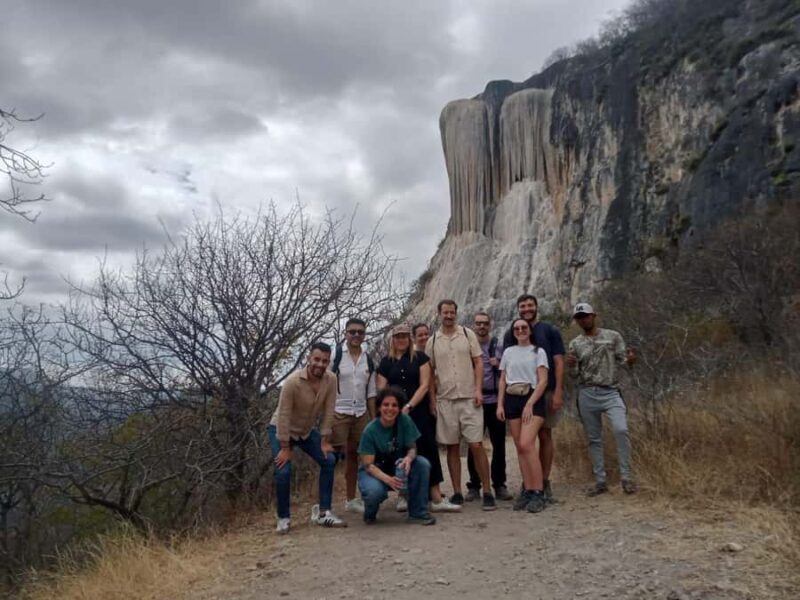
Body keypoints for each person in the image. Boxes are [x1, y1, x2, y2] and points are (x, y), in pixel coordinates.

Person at [376, 324, 461, 513]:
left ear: (409, 339)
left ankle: (436, 497)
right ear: (393, 339)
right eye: (398, 336)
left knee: (428, 449)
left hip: (418, 411)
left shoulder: (420, 358)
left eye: (405, 336)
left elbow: (424, 385)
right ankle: (404, 495)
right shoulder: (386, 362)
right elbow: (381, 389)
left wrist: (409, 406)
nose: (401, 340)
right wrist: (392, 409)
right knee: (401, 452)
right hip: (395, 415)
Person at [425, 299, 497, 511]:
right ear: (439, 314)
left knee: (476, 445)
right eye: (445, 312)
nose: (448, 316)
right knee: (452, 447)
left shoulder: (467, 334)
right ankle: (457, 491)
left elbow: (478, 363)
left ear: (456, 313)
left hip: (469, 399)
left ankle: (487, 490)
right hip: (445, 400)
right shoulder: (433, 341)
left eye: (452, 312)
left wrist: (477, 390)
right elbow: (429, 372)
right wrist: (432, 400)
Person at [268, 342, 346, 533]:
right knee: (283, 471)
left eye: (325, 361)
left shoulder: (331, 379)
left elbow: (329, 411)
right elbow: (284, 415)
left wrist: (325, 441)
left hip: (306, 431)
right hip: (282, 429)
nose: (320, 364)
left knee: (329, 460)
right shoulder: (293, 381)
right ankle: (284, 518)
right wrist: (285, 448)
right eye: (317, 359)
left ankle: (324, 512)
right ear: (309, 359)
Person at [566, 302, 638, 496]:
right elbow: (574, 375)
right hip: (587, 392)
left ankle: (627, 477)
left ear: (593, 316)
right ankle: (600, 481)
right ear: (577, 321)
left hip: (610, 391)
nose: (583, 320)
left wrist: (631, 360)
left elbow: (624, 361)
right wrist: (571, 366)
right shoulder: (575, 344)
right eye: (579, 317)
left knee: (621, 430)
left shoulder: (612, 336)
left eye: (586, 316)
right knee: (593, 438)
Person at [502, 294, 565, 503]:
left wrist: (557, 392)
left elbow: (558, 362)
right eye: (523, 306)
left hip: (544, 391)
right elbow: (505, 370)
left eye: (530, 305)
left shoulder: (549, 330)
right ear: (518, 309)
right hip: (516, 395)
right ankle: (529, 486)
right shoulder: (510, 340)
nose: (527, 309)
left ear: (536, 307)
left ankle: (542, 484)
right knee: (523, 444)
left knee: (545, 436)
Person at [357, 387, 436, 525]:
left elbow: (412, 448)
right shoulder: (370, 430)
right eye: (386, 405)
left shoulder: (404, 421)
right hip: (375, 472)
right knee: (373, 492)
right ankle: (370, 512)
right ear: (379, 408)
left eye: (394, 405)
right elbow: (368, 465)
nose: (390, 409)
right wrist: (388, 479)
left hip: (397, 467)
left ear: (399, 408)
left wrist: (409, 458)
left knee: (422, 464)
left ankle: (418, 512)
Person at [497, 319, 549, 513]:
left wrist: (530, 403)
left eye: (524, 328)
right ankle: (528, 489)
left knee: (527, 444)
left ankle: (538, 492)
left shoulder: (538, 352)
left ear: (530, 330)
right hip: (512, 398)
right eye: (517, 328)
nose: (520, 330)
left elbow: (543, 381)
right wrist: (500, 404)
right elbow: (502, 380)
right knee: (520, 447)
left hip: (532, 398)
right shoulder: (508, 352)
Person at [331, 317, 377, 514]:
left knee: (356, 456)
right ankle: (323, 504)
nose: (356, 335)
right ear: (345, 334)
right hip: (338, 412)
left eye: (360, 332)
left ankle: (351, 499)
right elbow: (326, 385)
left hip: (360, 413)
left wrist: (374, 419)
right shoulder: (336, 356)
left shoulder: (368, 358)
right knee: (330, 458)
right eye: (352, 332)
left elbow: (371, 392)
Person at [466, 312, 513, 501]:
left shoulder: (498, 345)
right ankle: (474, 485)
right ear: (473, 325)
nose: (482, 327)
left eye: (485, 323)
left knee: (499, 444)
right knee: (474, 444)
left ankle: (499, 484)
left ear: (490, 325)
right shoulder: (469, 347)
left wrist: (499, 364)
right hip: (475, 401)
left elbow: (508, 369)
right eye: (478, 324)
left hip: (495, 400)